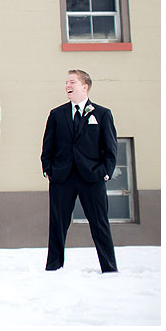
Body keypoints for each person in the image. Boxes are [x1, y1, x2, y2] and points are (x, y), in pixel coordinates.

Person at [40, 69, 118, 273]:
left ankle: (109, 268)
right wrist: (48, 169)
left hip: (92, 177)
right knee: (57, 224)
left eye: (72, 82)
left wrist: (104, 171)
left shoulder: (102, 114)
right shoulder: (57, 114)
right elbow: (47, 146)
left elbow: (110, 149)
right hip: (62, 178)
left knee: (100, 224)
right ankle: (54, 267)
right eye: (66, 82)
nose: (67, 86)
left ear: (85, 87)